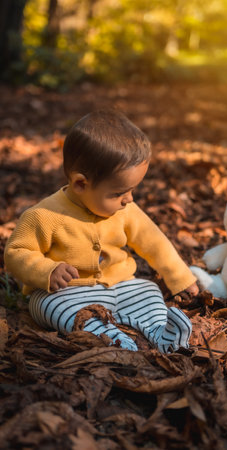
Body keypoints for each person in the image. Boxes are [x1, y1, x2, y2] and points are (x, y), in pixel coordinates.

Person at [4, 109, 199, 353]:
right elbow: (16, 252)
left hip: (120, 284)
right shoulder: (44, 216)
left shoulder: (125, 209)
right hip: (69, 292)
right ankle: (107, 338)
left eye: (131, 190)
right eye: (118, 193)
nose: (128, 199)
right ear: (80, 184)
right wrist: (47, 271)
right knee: (47, 306)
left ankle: (162, 334)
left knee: (148, 290)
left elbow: (154, 242)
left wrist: (180, 277)